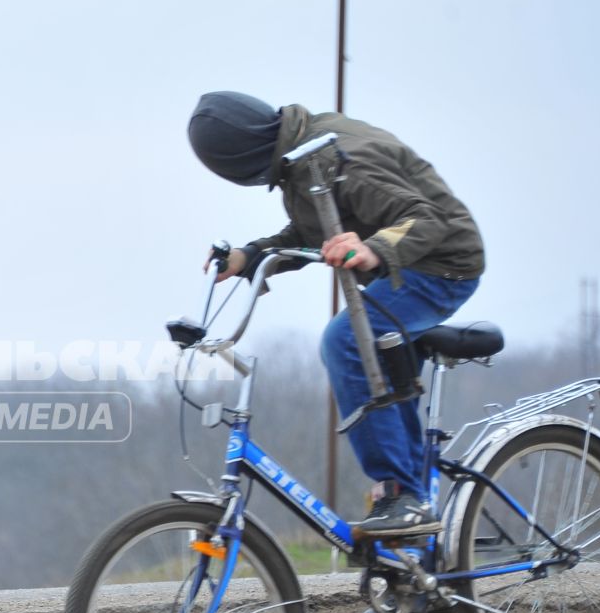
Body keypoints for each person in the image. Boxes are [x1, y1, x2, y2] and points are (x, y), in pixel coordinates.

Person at [187, 90, 486, 544]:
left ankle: (402, 496)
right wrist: (249, 256)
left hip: (441, 264)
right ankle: (411, 535)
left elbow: (425, 219)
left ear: (240, 161)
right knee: (375, 352)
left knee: (346, 340)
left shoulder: (340, 161)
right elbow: (308, 231)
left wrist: (373, 247)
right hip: (405, 265)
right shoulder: (298, 156)